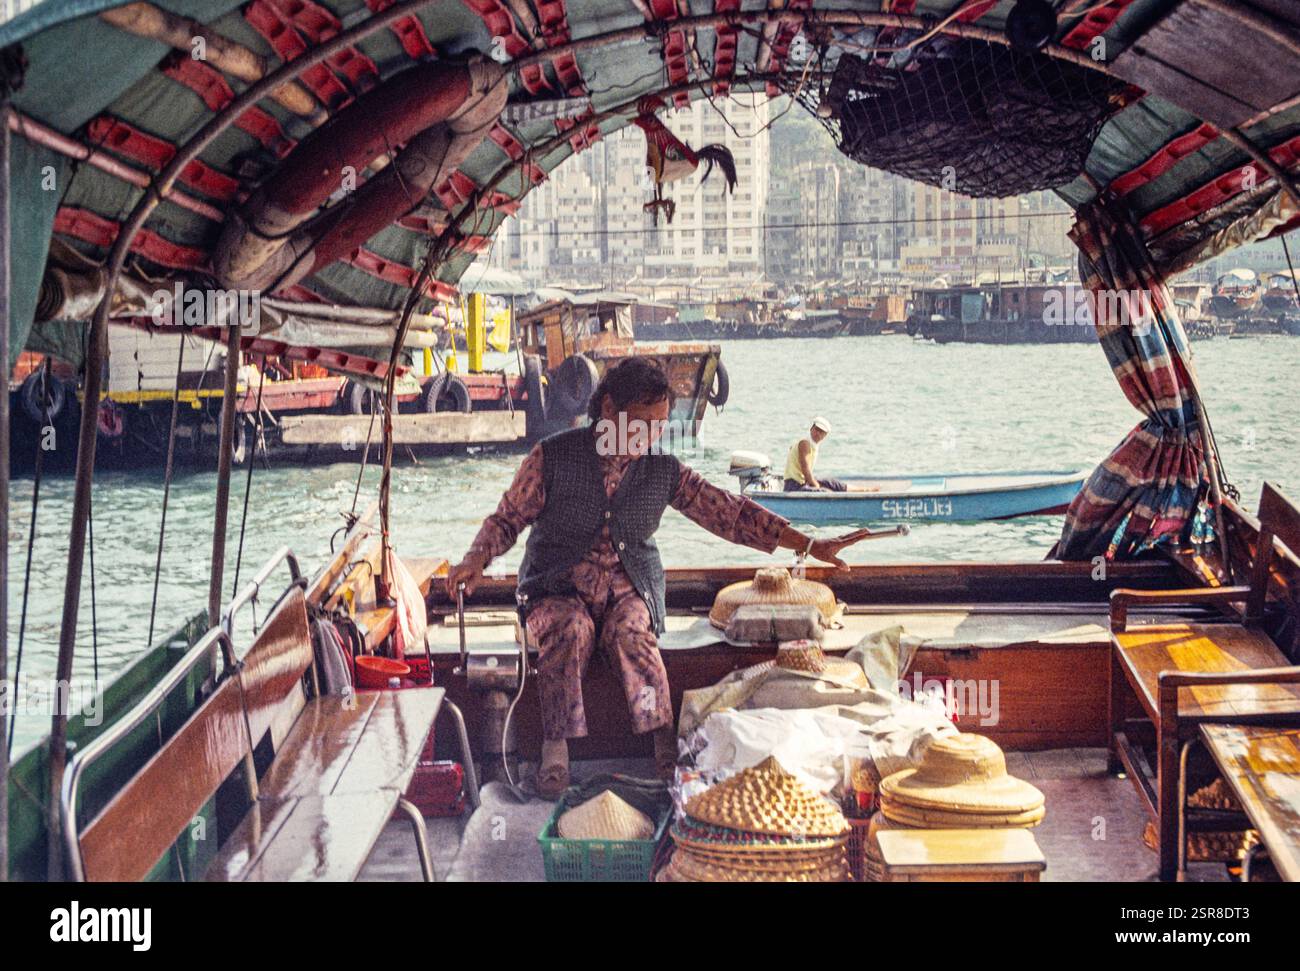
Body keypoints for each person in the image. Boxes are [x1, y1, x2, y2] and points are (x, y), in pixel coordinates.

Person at [446, 359, 869, 799]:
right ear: (609, 408)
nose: (651, 435)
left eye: (659, 425)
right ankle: (556, 745)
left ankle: (661, 738)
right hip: (557, 588)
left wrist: (809, 544)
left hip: (630, 587)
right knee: (569, 630)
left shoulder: (662, 470)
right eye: (643, 423)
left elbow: (726, 511)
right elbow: (508, 517)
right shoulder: (552, 457)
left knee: (633, 634)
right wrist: (476, 558)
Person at [783, 416, 847, 492]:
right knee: (825, 492)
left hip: (802, 483)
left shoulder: (813, 445)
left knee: (832, 483)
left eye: (821, 432)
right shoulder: (805, 444)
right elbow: (806, 471)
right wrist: (817, 486)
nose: (818, 433)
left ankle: (863, 490)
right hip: (793, 485)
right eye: (816, 429)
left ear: (825, 435)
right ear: (811, 429)